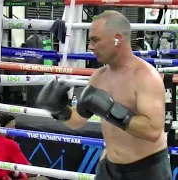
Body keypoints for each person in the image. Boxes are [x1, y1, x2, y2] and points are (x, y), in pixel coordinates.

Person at [36, 10, 172, 180]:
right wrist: (59, 110)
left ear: (117, 39)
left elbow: (152, 132)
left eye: (95, 40)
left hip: (146, 170)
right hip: (110, 168)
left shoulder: (145, 77)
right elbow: (78, 121)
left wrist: (110, 109)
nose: (90, 46)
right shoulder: (99, 77)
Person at [0, 113, 49, 180]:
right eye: (13, 127)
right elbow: (28, 170)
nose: (15, 130)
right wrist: (37, 173)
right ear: (4, 129)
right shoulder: (9, 144)